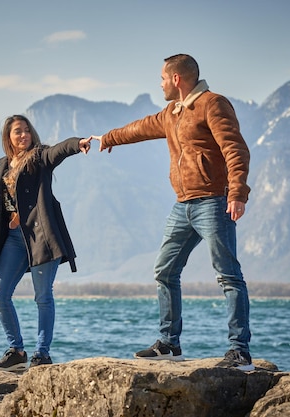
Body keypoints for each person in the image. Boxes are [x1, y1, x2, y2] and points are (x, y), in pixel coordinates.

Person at [90, 54, 254, 371]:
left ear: (176, 79)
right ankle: (169, 344)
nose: (161, 84)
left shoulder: (213, 104)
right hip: (183, 205)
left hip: (213, 202)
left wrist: (237, 193)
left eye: (163, 79)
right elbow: (140, 128)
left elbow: (235, 148)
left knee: (228, 275)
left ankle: (239, 351)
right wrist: (109, 138)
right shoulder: (172, 113)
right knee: (164, 271)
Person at [0, 114, 92, 371]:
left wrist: (77, 143)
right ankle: (16, 351)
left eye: (26, 131)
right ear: (8, 138)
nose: (23, 135)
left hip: (41, 237)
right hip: (12, 240)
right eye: (17, 132)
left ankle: (42, 354)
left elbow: (58, 151)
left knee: (43, 297)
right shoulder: (2, 168)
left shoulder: (39, 158)